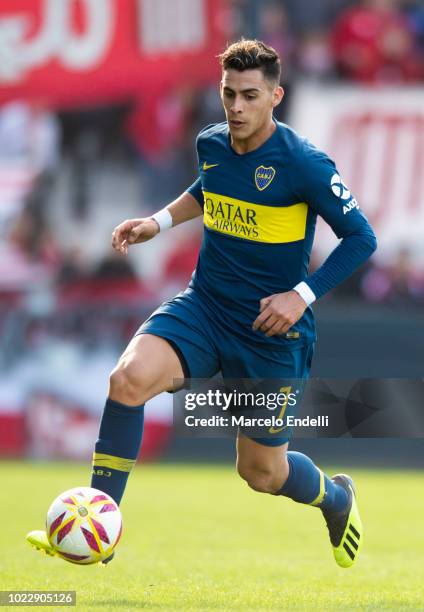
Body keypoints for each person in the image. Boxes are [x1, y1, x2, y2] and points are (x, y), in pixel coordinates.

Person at [27, 39, 376, 568]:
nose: (236, 107)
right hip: (205, 307)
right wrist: (158, 222)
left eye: (249, 96)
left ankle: (335, 496)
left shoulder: (304, 164)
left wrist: (300, 296)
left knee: (261, 473)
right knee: (128, 380)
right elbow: (207, 187)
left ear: (275, 96)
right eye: (229, 94)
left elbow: (361, 239)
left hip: (270, 331)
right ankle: (103, 527)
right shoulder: (212, 142)